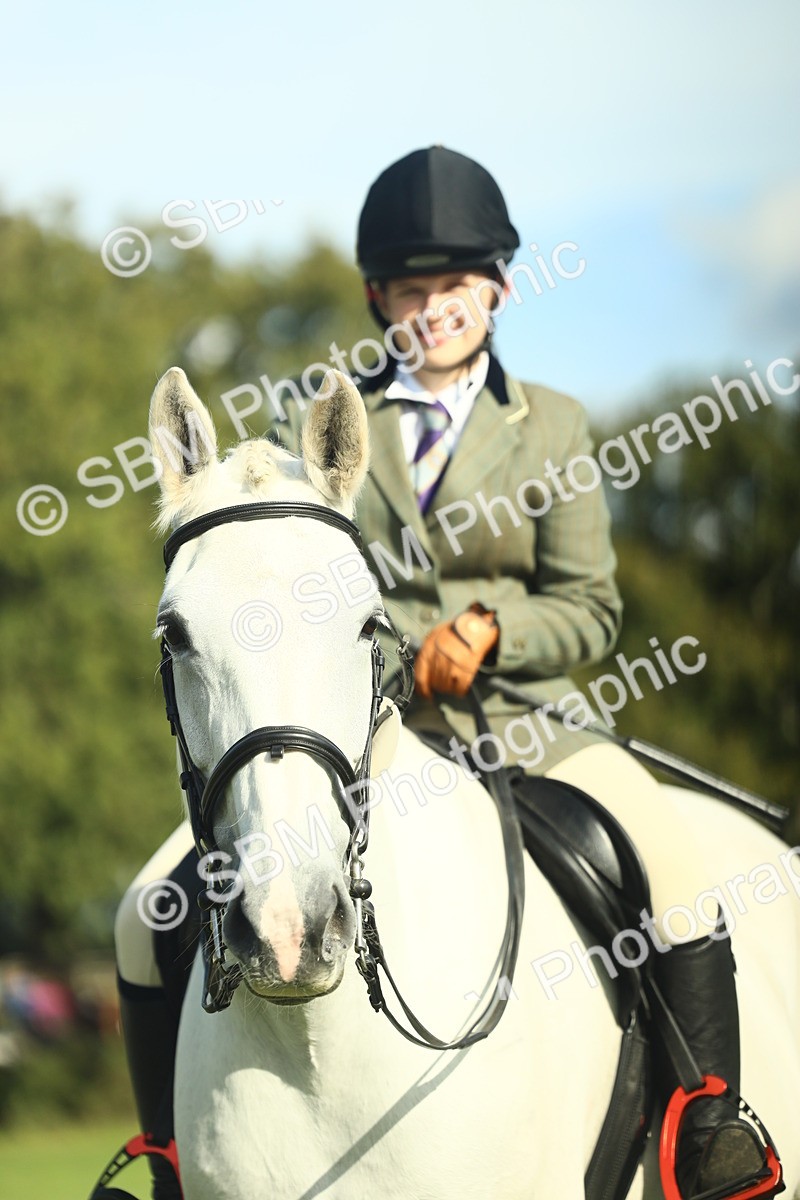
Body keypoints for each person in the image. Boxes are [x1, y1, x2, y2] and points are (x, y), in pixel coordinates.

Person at [111, 146, 772, 1200]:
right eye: (411, 291)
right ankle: (164, 1161)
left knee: (675, 874)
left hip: (535, 725)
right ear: (378, 299)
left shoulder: (550, 425)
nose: (434, 309)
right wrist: (391, 654)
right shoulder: (326, 433)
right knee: (146, 907)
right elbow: (294, 597)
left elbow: (590, 607)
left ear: (498, 289)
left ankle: (708, 1131)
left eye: (455, 286)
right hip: (376, 734)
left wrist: (490, 632)